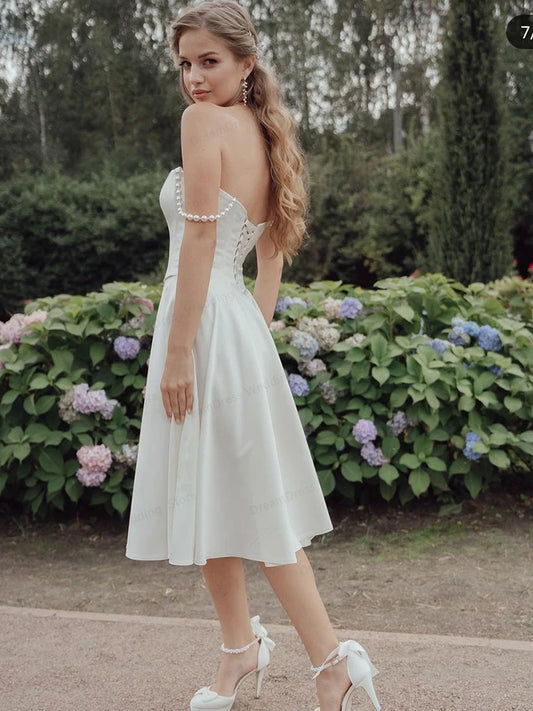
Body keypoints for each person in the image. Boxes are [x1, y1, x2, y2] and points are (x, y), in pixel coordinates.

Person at [124, 2, 380, 710]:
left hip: (203, 328)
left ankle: (330, 659)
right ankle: (241, 652)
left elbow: (202, 242)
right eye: (184, 64)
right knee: (223, 503)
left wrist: (180, 354)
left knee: (251, 512)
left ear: (246, 61)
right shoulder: (267, 136)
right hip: (233, 327)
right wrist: (251, 344)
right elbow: (268, 256)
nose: (194, 78)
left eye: (209, 61)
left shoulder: (201, 124)